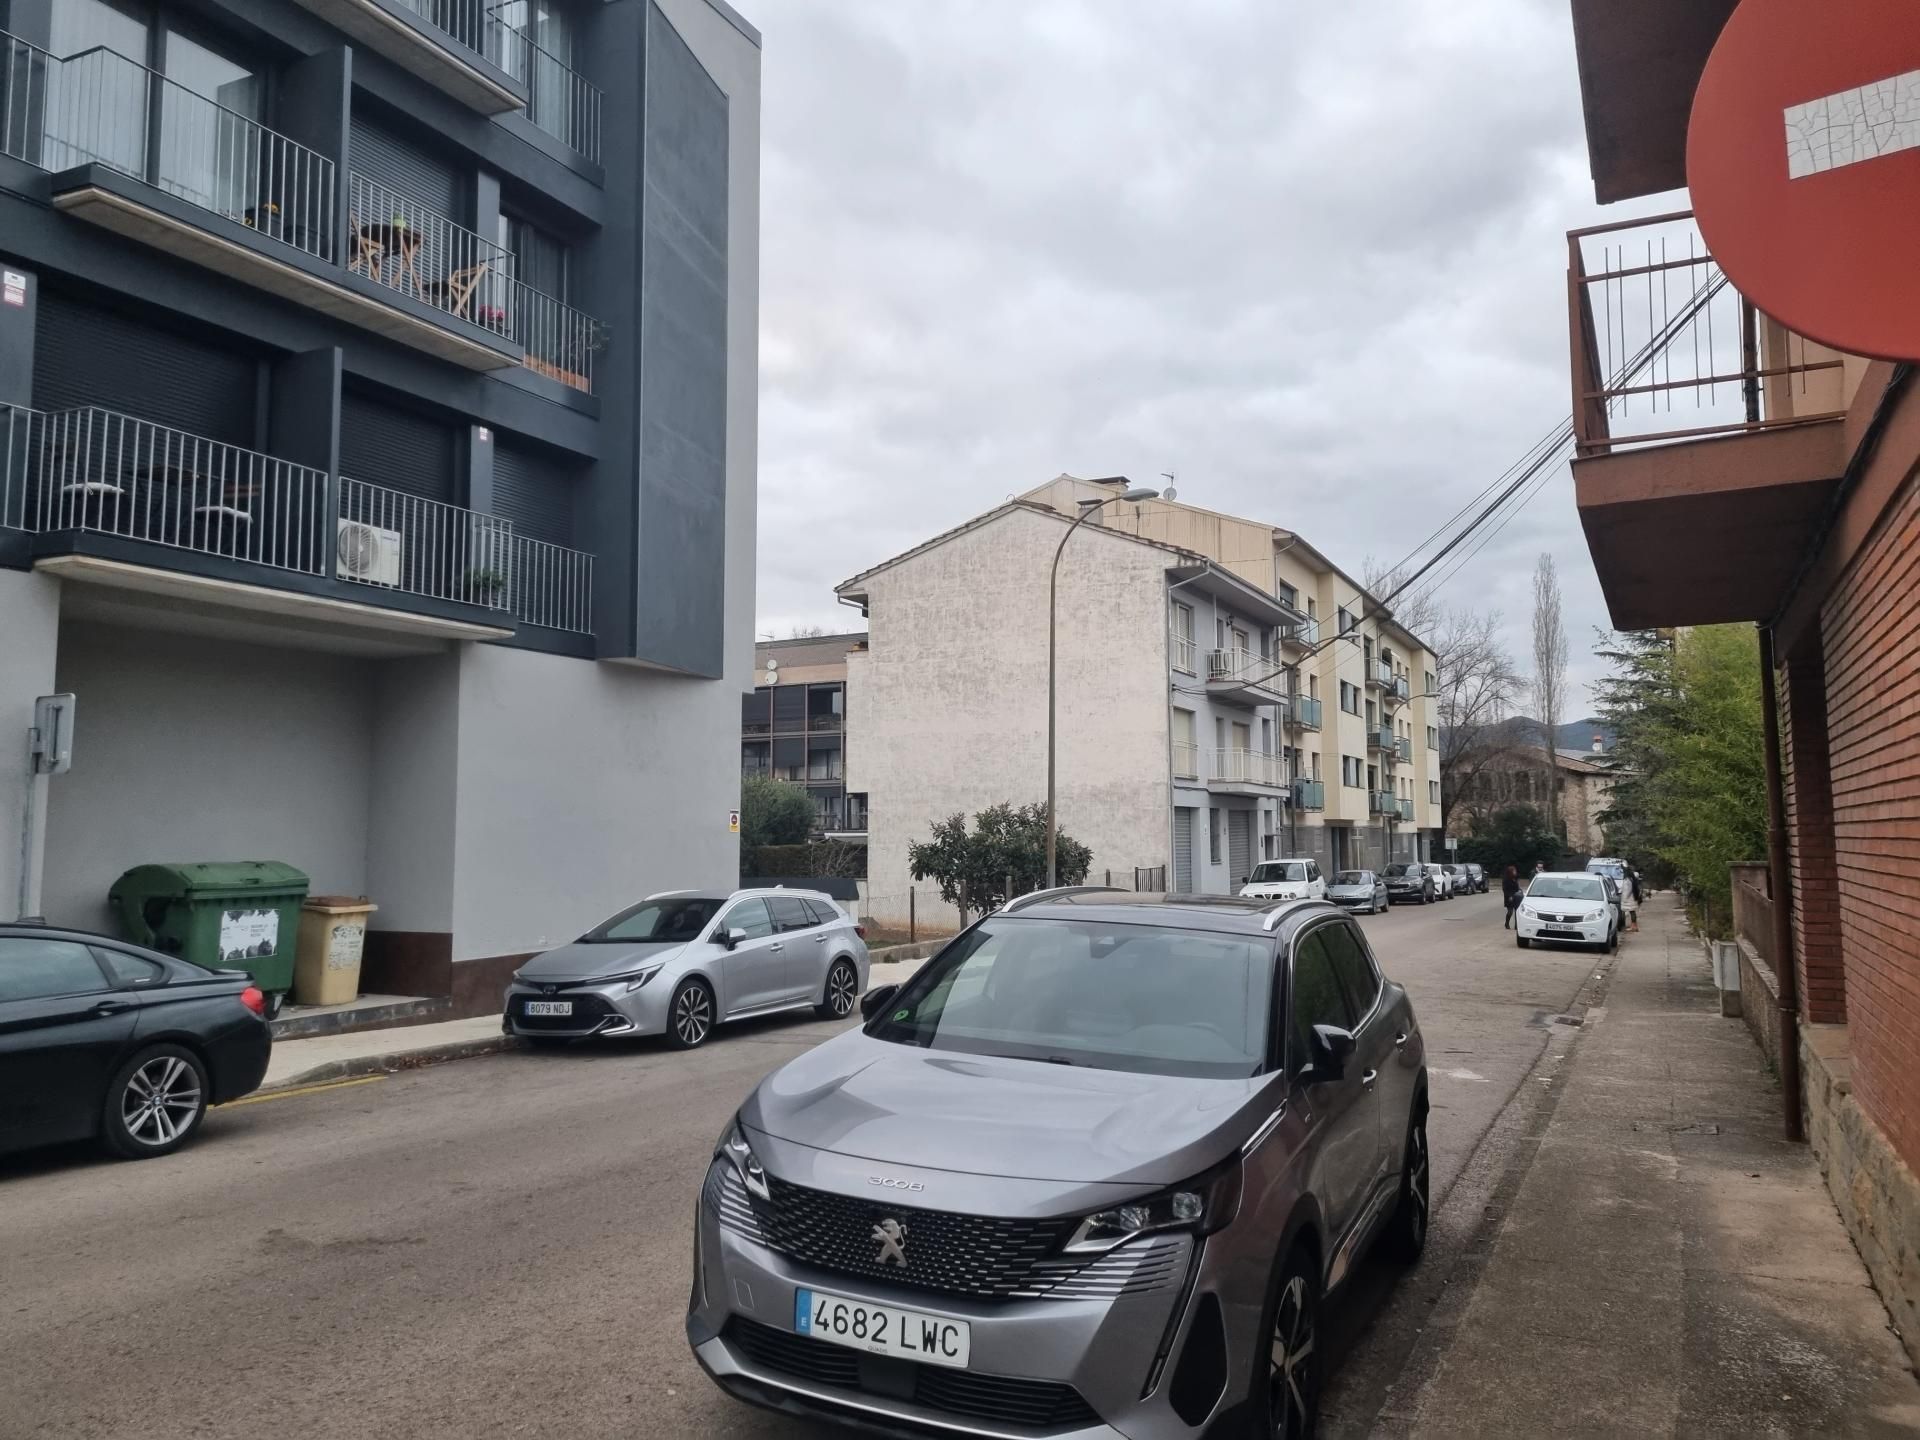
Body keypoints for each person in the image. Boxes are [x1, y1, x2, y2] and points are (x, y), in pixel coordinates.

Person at [1502, 864, 1522, 929]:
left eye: (1515, 871)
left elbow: (1517, 887)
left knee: (1517, 912)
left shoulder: (1515, 878)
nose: (1515, 872)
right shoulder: (1506, 879)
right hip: (1509, 897)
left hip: (1516, 896)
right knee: (1510, 912)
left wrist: (1519, 890)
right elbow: (1505, 889)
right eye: (1513, 871)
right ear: (1510, 871)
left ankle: (1516, 925)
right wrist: (1509, 896)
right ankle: (1507, 923)